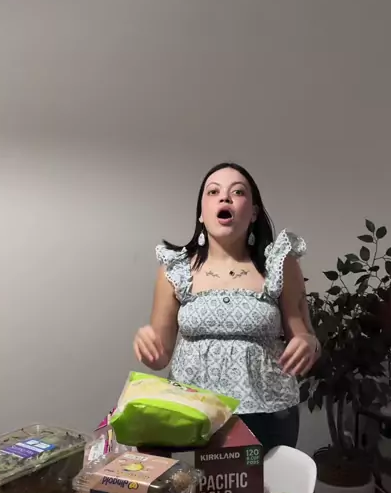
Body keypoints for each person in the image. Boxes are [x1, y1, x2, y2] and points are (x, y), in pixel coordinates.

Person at [133, 162, 320, 451]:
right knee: (189, 482)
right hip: (191, 414)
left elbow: (305, 337)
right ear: (201, 212)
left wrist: (308, 343)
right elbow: (160, 357)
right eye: (213, 192)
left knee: (265, 482)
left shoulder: (279, 264)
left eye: (238, 192)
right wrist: (149, 347)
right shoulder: (175, 268)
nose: (225, 197)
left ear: (253, 212)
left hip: (268, 413)